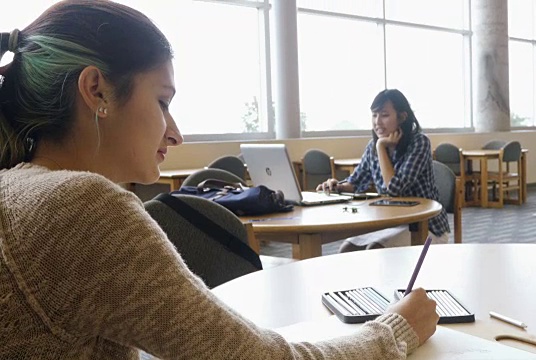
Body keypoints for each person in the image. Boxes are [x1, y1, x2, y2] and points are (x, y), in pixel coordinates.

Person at [0, 1, 439, 358]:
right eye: (163, 101)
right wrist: (395, 329)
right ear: (96, 90)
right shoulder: (80, 208)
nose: (175, 132)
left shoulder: (18, 191)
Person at [317, 89, 451, 252]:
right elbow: (355, 182)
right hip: (392, 223)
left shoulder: (419, 143)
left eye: (384, 115)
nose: (377, 122)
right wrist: (337, 186)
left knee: (376, 250)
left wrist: (381, 147)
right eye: (374, 115)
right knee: (347, 249)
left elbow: (395, 189)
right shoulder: (371, 147)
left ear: (402, 117)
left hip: (426, 227)